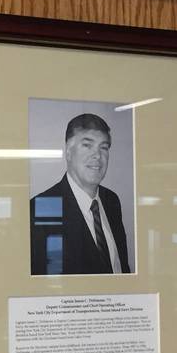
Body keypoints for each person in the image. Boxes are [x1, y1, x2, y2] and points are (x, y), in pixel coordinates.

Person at [30, 113, 131, 276]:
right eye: (87, 145)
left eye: (103, 147)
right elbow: (47, 284)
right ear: (69, 152)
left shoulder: (111, 200)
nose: (97, 155)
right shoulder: (42, 208)